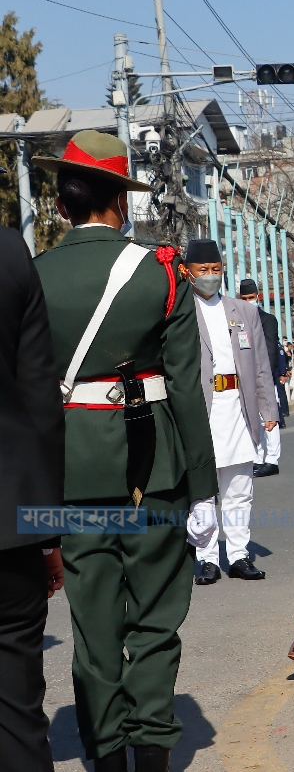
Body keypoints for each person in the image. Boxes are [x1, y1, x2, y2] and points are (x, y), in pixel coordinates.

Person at [33, 130, 216, 772]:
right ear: (121, 202)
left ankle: (106, 756)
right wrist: (204, 489)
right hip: (155, 470)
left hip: (71, 475)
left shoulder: (33, 278)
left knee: (95, 631)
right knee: (157, 624)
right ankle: (153, 756)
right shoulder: (160, 272)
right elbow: (187, 391)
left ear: (60, 205)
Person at [0, 225, 65, 772]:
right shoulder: (8, 252)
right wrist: (47, 532)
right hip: (9, 524)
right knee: (18, 708)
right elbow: (40, 399)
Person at [186, 241, 279, 585]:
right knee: (204, 489)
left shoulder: (244, 311)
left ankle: (239, 555)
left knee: (240, 486)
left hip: (239, 406)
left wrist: (268, 407)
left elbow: (260, 367)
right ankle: (207, 557)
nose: (210, 276)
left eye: (216, 269)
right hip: (202, 409)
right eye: (203, 270)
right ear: (188, 272)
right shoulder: (181, 310)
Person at [238, 278, 283, 477]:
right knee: (251, 418)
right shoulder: (237, 321)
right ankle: (257, 457)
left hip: (263, 377)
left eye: (251, 297)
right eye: (244, 298)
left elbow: (271, 350)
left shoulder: (267, 320)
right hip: (245, 378)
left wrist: (267, 377)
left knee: (269, 418)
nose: (248, 301)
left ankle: (272, 460)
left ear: (257, 297)